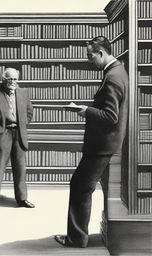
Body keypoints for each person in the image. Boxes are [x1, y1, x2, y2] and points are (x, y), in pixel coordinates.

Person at [55, 36, 128, 248]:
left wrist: (84, 109)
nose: (89, 60)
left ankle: (76, 239)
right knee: (94, 188)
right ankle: (85, 236)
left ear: (102, 53)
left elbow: (110, 116)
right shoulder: (118, 71)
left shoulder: (112, 77)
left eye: (91, 56)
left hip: (102, 146)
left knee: (79, 186)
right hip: (109, 143)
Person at [0, 67, 35, 209]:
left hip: (19, 134)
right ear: (4, 79)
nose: (13, 82)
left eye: (15, 79)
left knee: (20, 167)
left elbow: (29, 112)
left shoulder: (23, 93)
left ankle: (22, 199)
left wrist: (22, 123)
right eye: (10, 79)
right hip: (2, 134)